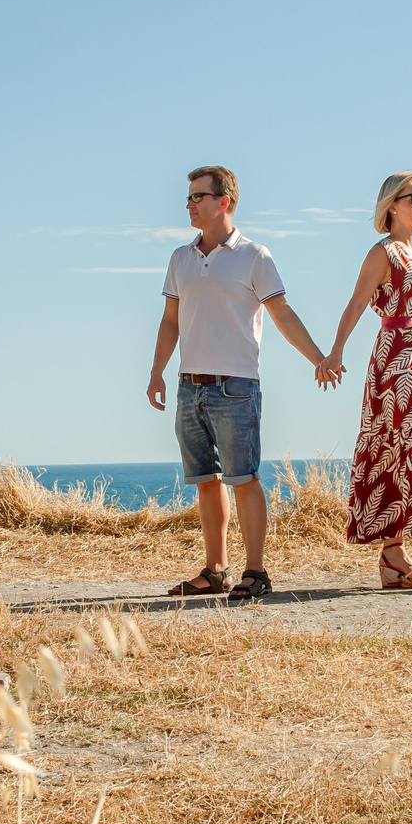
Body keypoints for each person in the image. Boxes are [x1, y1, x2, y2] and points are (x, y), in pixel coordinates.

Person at [148, 166, 341, 601]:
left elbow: (282, 313)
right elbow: (169, 321)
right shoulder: (180, 258)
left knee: (243, 478)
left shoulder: (254, 255)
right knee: (205, 480)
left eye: (199, 197)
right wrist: (157, 372)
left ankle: (256, 572)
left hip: (236, 387)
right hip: (188, 385)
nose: (190, 205)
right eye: (189, 197)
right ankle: (215, 571)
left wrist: (319, 358)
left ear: (224, 201)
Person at [322, 172, 412, 593]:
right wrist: (335, 352)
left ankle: (393, 555)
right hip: (394, 361)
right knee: (406, 448)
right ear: (391, 206)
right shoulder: (384, 253)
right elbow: (358, 302)